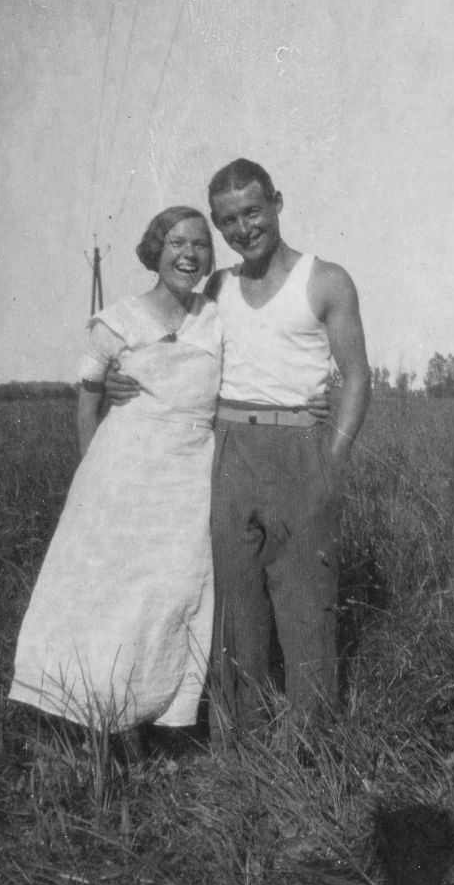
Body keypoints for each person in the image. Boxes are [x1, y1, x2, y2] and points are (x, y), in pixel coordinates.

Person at [107, 159, 371, 743]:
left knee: (306, 606)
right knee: (233, 608)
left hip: (301, 449)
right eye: (228, 220)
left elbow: (356, 376)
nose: (242, 228)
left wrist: (331, 461)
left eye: (252, 211)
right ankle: (238, 747)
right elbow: (166, 337)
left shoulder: (325, 280)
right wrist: (116, 377)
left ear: (277, 202)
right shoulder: (218, 286)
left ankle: (311, 745)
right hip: (226, 449)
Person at [9, 207, 222, 737]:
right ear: (156, 250)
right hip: (122, 473)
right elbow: (88, 403)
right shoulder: (118, 321)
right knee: (111, 592)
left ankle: (158, 711)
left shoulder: (216, 320)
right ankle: (95, 713)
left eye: (199, 244)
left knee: (172, 592)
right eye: (176, 242)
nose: (188, 254)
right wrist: (94, 486)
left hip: (191, 477)